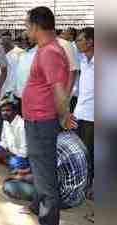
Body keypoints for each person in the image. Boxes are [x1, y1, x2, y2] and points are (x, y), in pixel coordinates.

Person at [22, 7, 77, 225]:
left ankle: (48, 219)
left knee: (45, 174)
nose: (26, 30)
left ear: (36, 26)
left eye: (27, 26)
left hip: (41, 121)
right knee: (39, 168)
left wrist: (63, 115)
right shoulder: (46, 49)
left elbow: (59, 89)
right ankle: (37, 206)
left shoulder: (50, 52)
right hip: (37, 119)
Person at [3, 131, 88, 209]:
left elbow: (42, 179)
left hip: (64, 199)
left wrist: (19, 177)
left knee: (9, 186)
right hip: (79, 195)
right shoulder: (67, 136)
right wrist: (24, 172)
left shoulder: (51, 149)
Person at [74, 27, 94, 192]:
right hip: (79, 113)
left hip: (93, 116)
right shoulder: (82, 60)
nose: (77, 43)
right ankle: (82, 183)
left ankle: (89, 185)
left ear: (90, 41)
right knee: (80, 152)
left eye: (80, 40)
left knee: (90, 153)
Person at [0, 96, 29, 174]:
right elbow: (3, 140)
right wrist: (2, 149)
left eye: (8, 110)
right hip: (8, 152)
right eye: (2, 110)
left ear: (15, 111)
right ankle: (5, 160)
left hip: (20, 156)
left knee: (15, 163)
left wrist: (6, 154)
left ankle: (7, 161)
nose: (4, 113)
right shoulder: (5, 121)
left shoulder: (22, 125)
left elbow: (24, 152)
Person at [13, 31, 37, 115]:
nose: (26, 40)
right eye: (24, 39)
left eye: (28, 38)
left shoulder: (39, 53)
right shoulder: (21, 54)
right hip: (20, 95)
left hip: (34, 96)